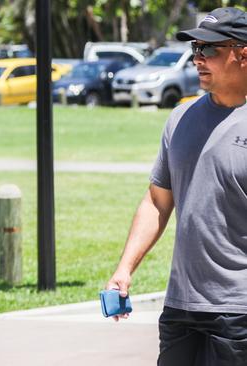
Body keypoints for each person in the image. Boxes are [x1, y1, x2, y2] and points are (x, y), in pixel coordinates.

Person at [105, 7, 247, 365]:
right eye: (196, 49)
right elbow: (157, 201)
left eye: (210, 49)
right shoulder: (181, 118)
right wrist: (124, 269)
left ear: (243, 52)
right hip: (181, 307)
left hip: (239, 309)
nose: (198, 58)